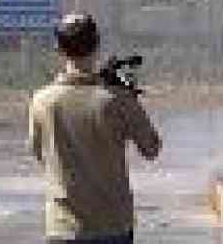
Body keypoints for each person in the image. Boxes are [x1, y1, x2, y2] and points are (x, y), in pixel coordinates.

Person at [28, 12, 161, 244]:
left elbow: (40, 154)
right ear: (97, 46)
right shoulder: (116, 99)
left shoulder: (42, 100)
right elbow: (151, 148)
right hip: (112, 226)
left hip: (62, 228)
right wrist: (129, 97)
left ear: (59, 50)